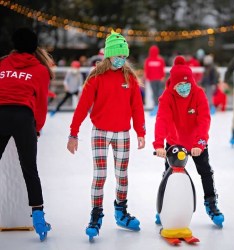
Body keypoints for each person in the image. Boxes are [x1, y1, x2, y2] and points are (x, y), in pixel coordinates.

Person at [66, 31, 146, 240]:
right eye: (118, 55)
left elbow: (137, 107)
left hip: (122, 133)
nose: (121, 59)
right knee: (100, 176)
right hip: (100, 131)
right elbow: (82, 107)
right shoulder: (96, 77)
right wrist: (73, 133)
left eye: (124, 56)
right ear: (109, 55)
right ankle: (96, 215)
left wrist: (140, 131)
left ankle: (121, 212)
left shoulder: (129, 78)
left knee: (122, 176)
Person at [153, 56, 224, 228]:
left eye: (187, 84)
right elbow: (162, 120)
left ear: (192, 82)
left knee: (205, 171)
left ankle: (211, 204)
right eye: (180, 85)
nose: (184, 88)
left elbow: (204, 120)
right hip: (174, 143)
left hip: (195, 143)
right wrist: (158, 145)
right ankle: (163, 207)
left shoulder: (198, 94)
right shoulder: (167, 97)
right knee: (168, 176)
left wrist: (199, 144)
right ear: (173, 84)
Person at [0, 27, 53, 241]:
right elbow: (41, 104)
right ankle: (38, 217)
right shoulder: (40, 69)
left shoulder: (2, 64)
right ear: (34, 48)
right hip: (23, 117)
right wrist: (37, 127)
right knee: (30, 169)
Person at [143, 45, 166, 116]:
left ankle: (159, 108)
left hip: (156, 80)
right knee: (156, 94)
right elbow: (147, 70)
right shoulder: (159, 60)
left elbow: (161, 69)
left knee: (158, 94)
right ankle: (156, 108)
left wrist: (147, 77)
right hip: (155, 79)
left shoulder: (150, 60)